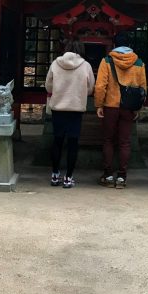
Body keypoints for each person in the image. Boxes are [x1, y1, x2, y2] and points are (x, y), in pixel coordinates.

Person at [93, 32, 147, 189]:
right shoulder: (138, 62)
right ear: (129, 45)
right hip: (129, 108)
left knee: (108, 140)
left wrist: (99, 105)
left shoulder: (107, 61)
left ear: (114, 45)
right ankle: (122, 177)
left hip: (110, 106)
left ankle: (108, 175)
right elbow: (143, 87)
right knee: (124, 142)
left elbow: (100, 86)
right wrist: (138, 107)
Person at [45, 39, 94, 189]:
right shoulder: (85, 65)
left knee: (57, 141)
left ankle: (54, 174)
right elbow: (91, 88)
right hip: (75, 109)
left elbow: (48, 85)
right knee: (73, 143)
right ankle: (68, 177)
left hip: (58, 108)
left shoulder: (55, 64)